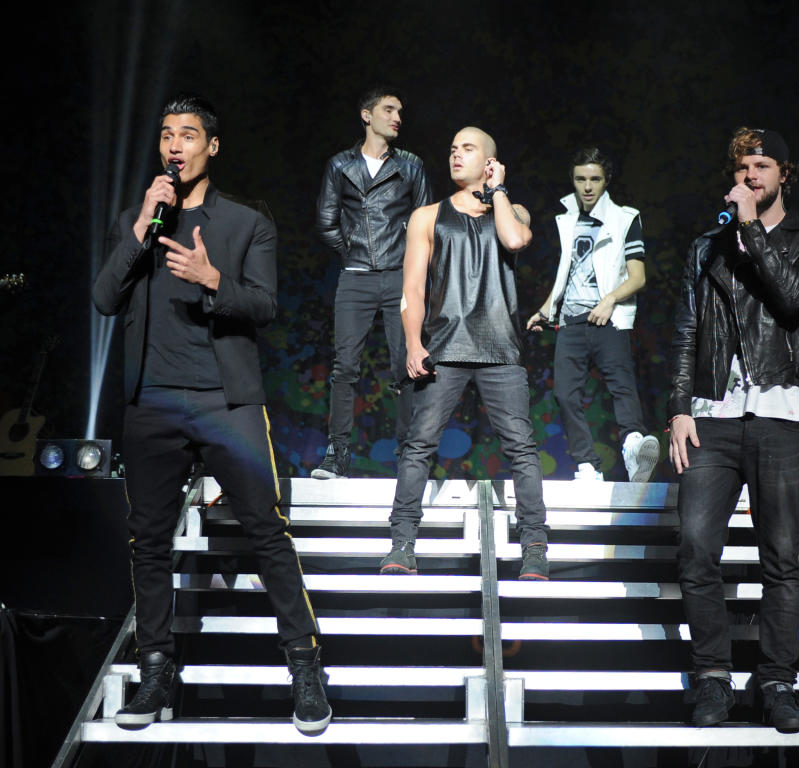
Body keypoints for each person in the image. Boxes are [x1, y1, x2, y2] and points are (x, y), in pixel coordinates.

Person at [92, 93, 330, 733]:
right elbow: (104, 297)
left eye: (188, 134)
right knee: (147, 543)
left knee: (266, 529)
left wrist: (212, 279)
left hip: (227, 400)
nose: (174, 145)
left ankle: (305, 667)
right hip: (152, 404)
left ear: (211, 146)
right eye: (167, 135)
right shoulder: (138, 221)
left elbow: (264, 305)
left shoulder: (248, 223)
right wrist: (143, 224)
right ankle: (156, 674)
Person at [667, 127, 799, 733]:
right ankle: (713, 678)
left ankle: (777, 684)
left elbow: (793, 301)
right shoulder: (706, 246)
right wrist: (679, 408)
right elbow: (686, 331)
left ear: (783, 173)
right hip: (713, 416)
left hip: (781, 415)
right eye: (742, 167)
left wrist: (753, 234)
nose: (751, 176)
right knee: (694, 550)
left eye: (762, 166)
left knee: (781, 560)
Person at [379, 127, 550, 580]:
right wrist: (414, 343)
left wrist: (498, 192)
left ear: (491, 160)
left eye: (468, 148)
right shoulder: (426, 216)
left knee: (522, 449)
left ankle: (535, 546)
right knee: (418, 445)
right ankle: (402, 543)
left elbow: (514, 241)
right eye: (452, 148)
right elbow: (411, 289)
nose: (456, 154)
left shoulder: (512, 211)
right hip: (445, 347)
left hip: (500, 349)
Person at [312, 86, 432, 478]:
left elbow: (425, 224)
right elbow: (326, 221)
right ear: (367, 115)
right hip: (356, 277)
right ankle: (338, 452)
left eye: (400, 110)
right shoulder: (340, 165)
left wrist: (408, 265)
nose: (397, 116)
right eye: (389, 109)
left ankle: (409, 454)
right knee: (345, 367)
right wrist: (353, 253)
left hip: (400, 278)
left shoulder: (411, 166)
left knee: (407, 365)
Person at [527, 147, 660, 482]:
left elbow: (639, 277)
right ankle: (587, 464)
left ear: (606, 181)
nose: (587, 186)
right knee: (564, 394)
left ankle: (633, 446)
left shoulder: (625, 218)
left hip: (607, 319)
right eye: (581, 179)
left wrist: (609, 300)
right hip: (570, 321)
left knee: (621, 385)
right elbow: (566, 273)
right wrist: (545, 310)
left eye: (595, 179)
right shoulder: (567, 219)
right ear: (573, 180)